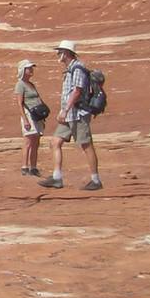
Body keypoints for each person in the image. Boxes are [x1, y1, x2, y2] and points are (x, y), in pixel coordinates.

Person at [39, 41, 102, 191]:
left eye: (59, 52)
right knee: (55, 142)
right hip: (69, 115)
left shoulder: (77, 68)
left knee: (86, 145)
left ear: (66, 53)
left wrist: (65, 110)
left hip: (77, 114)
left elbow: (77, 91)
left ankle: (96, 180)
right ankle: (56, 177)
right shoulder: (70, 69)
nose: (58, 55)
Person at [14, 59, 47, 176]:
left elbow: (38, 99)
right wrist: (25, 119)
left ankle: (33, 167)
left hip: (36, 116)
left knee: (36, 142)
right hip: (28, 115)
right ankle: (24, 167)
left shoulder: (31, 85)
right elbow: (19, 103)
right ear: (23, 70)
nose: (31, 70)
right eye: (29, 68)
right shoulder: (20, 84)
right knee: (28, 141)